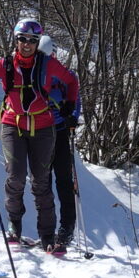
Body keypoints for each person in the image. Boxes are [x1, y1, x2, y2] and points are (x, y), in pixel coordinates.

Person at [0, 17, 81, 250]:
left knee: (43, 181)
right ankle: (14, 225)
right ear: (16, 39)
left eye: (32, 40)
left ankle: (50, 234)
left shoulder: (48, 65)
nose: (27, 44)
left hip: (46, 128)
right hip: (14, 124)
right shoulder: (6, 64)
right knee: (16, 176)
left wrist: (71, 106)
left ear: (37, 42)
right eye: (22, 39)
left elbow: (72, 82)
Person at [43, 34, 87, 254]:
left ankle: (66, 229)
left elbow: (75, 98)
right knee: (41, 183)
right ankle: (47, 231)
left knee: (63, 181)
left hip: (59, 131)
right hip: (39, 133)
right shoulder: (30, 72)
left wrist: (73, 116)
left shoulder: (64, 75)